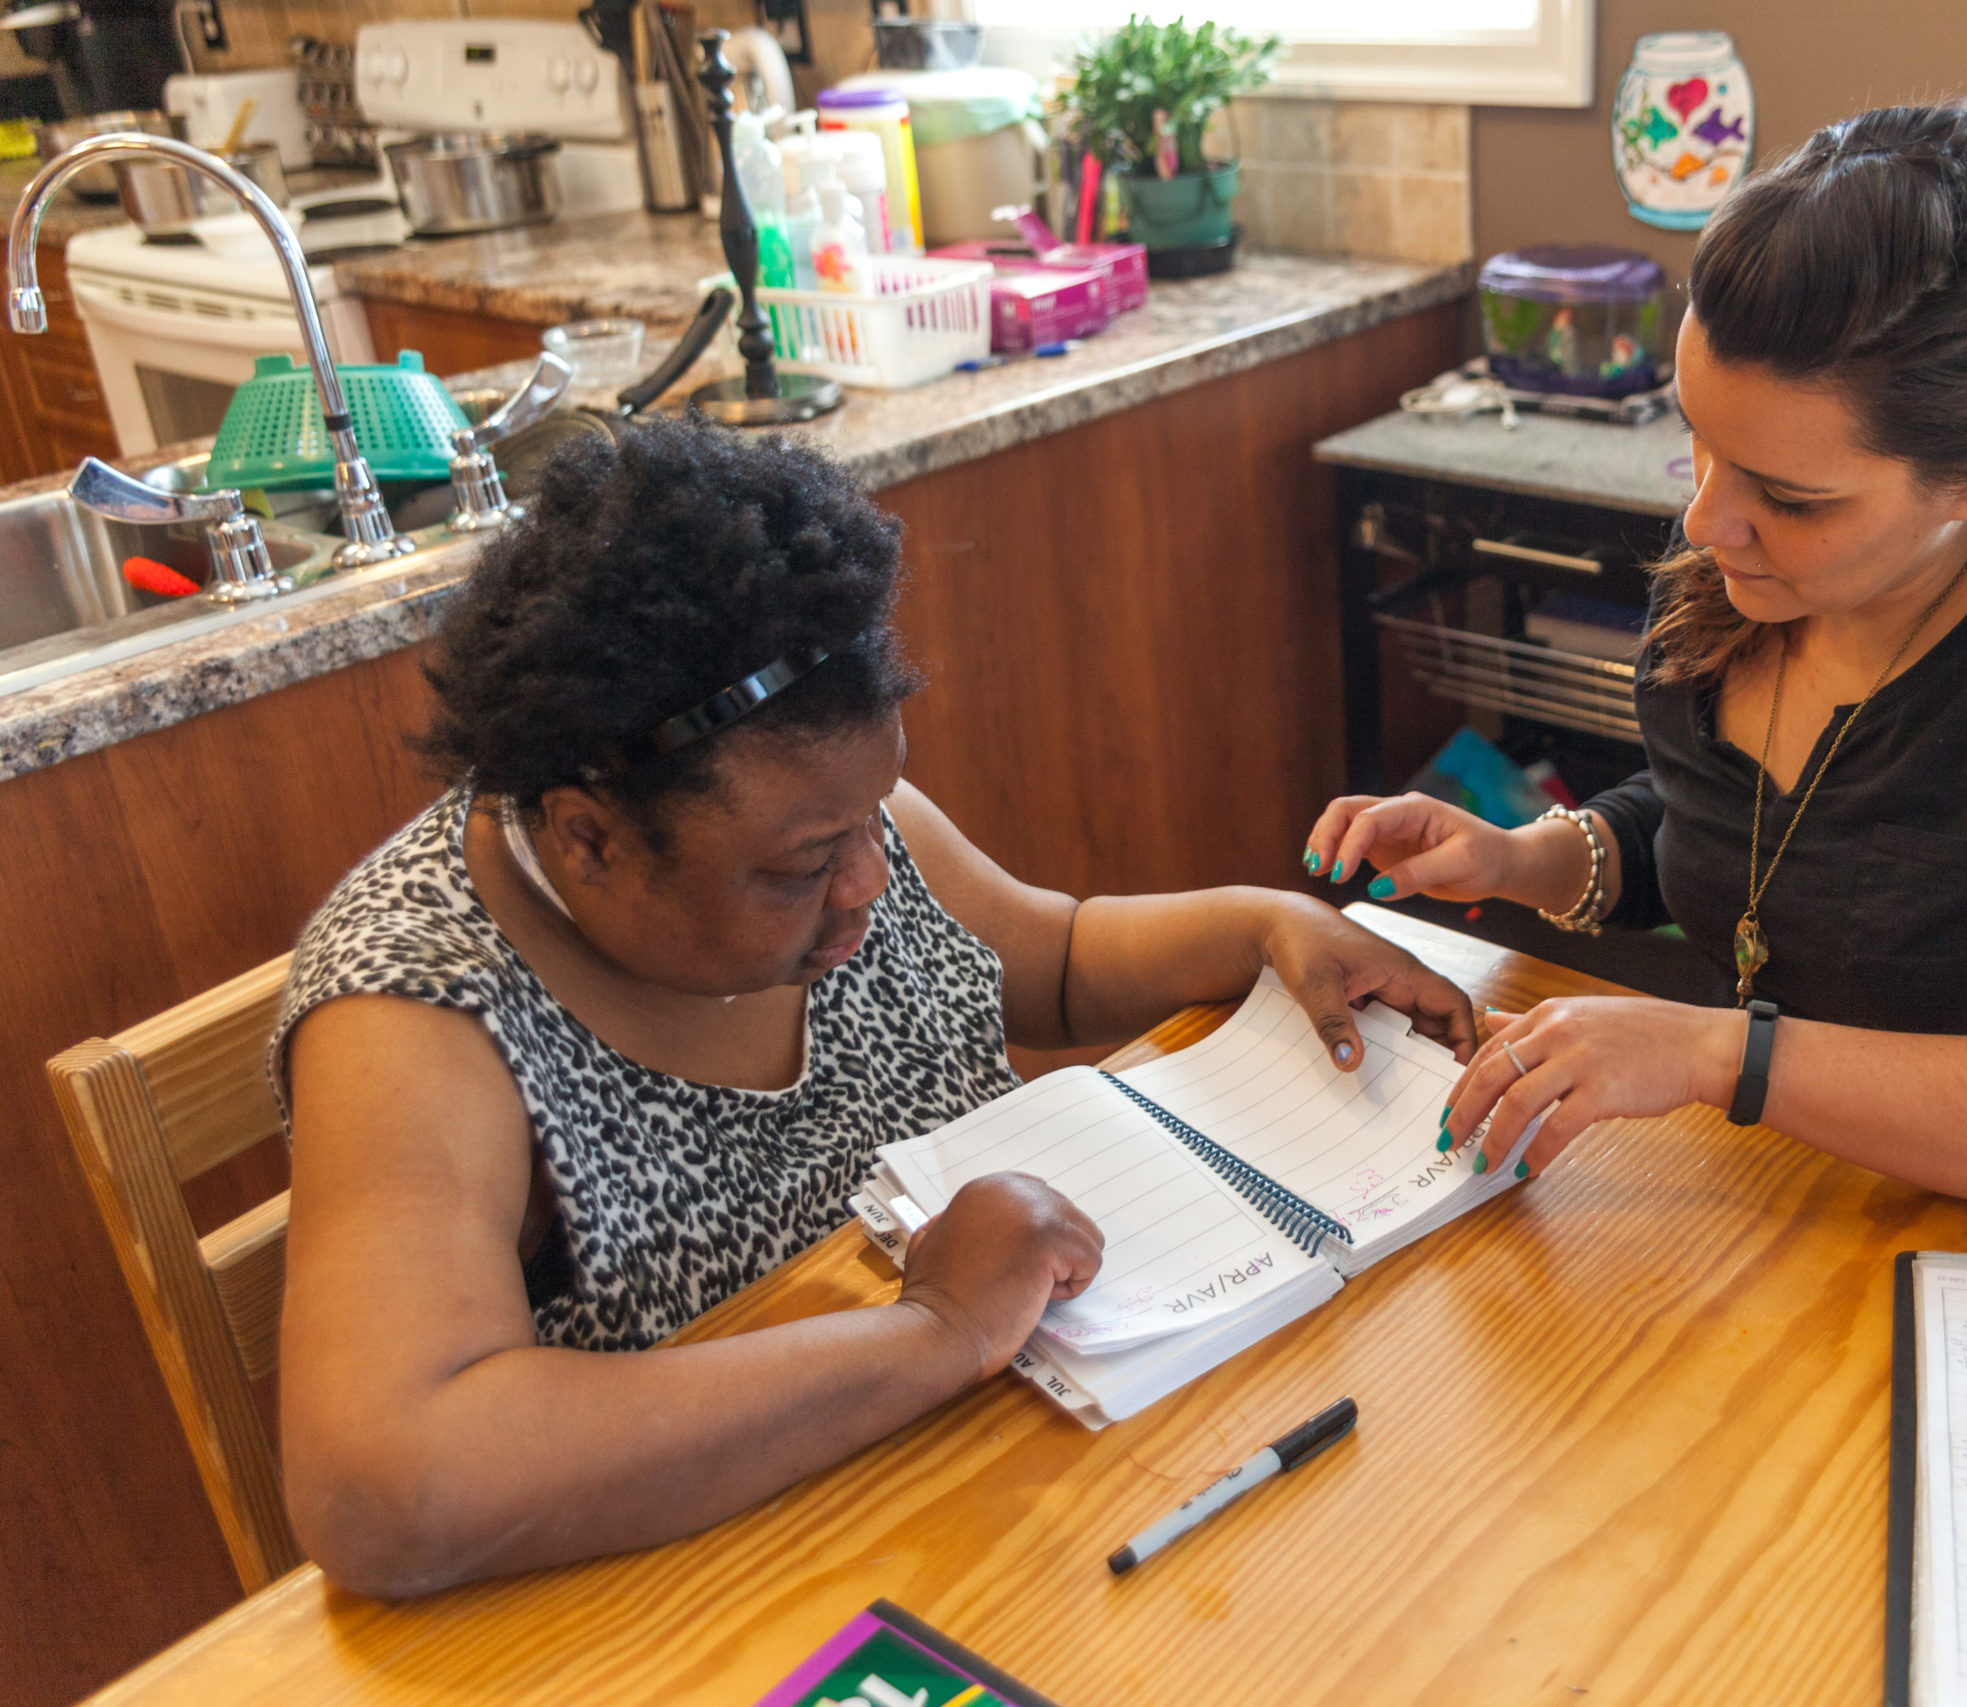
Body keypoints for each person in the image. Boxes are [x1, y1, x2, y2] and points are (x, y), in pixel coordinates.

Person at [275, 421, 1477, 1598]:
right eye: (803, 865)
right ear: (589, 834)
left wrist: (1267, 927)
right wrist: (934, 1329)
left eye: (875, 815)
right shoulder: (419, 1007)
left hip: (1016, 1478)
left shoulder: (810, 798)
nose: (868, 879)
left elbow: (1048, 958)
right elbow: (390, 1488)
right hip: (744, 1586)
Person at [1307, 102, 1967, 1213]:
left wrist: (1715, 1055)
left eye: (1789, 496)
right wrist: (1520, 859)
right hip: (1807, 1193)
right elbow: (1741, 830)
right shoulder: (1746, 568)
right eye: (1700, 439)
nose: (1710, 519)